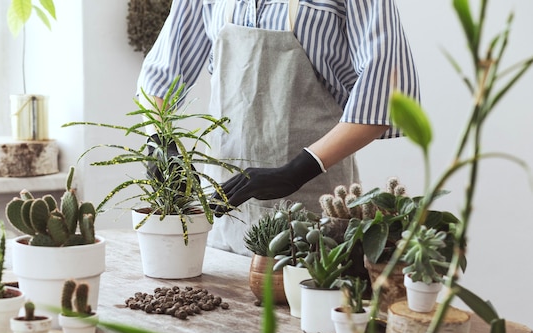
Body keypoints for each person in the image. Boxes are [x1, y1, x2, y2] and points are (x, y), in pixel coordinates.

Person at [137, 0, 420, 256]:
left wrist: (298, 170)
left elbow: (387, 94)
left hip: (314, 207)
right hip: (224, 215)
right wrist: (159, 140)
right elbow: (160, 76)